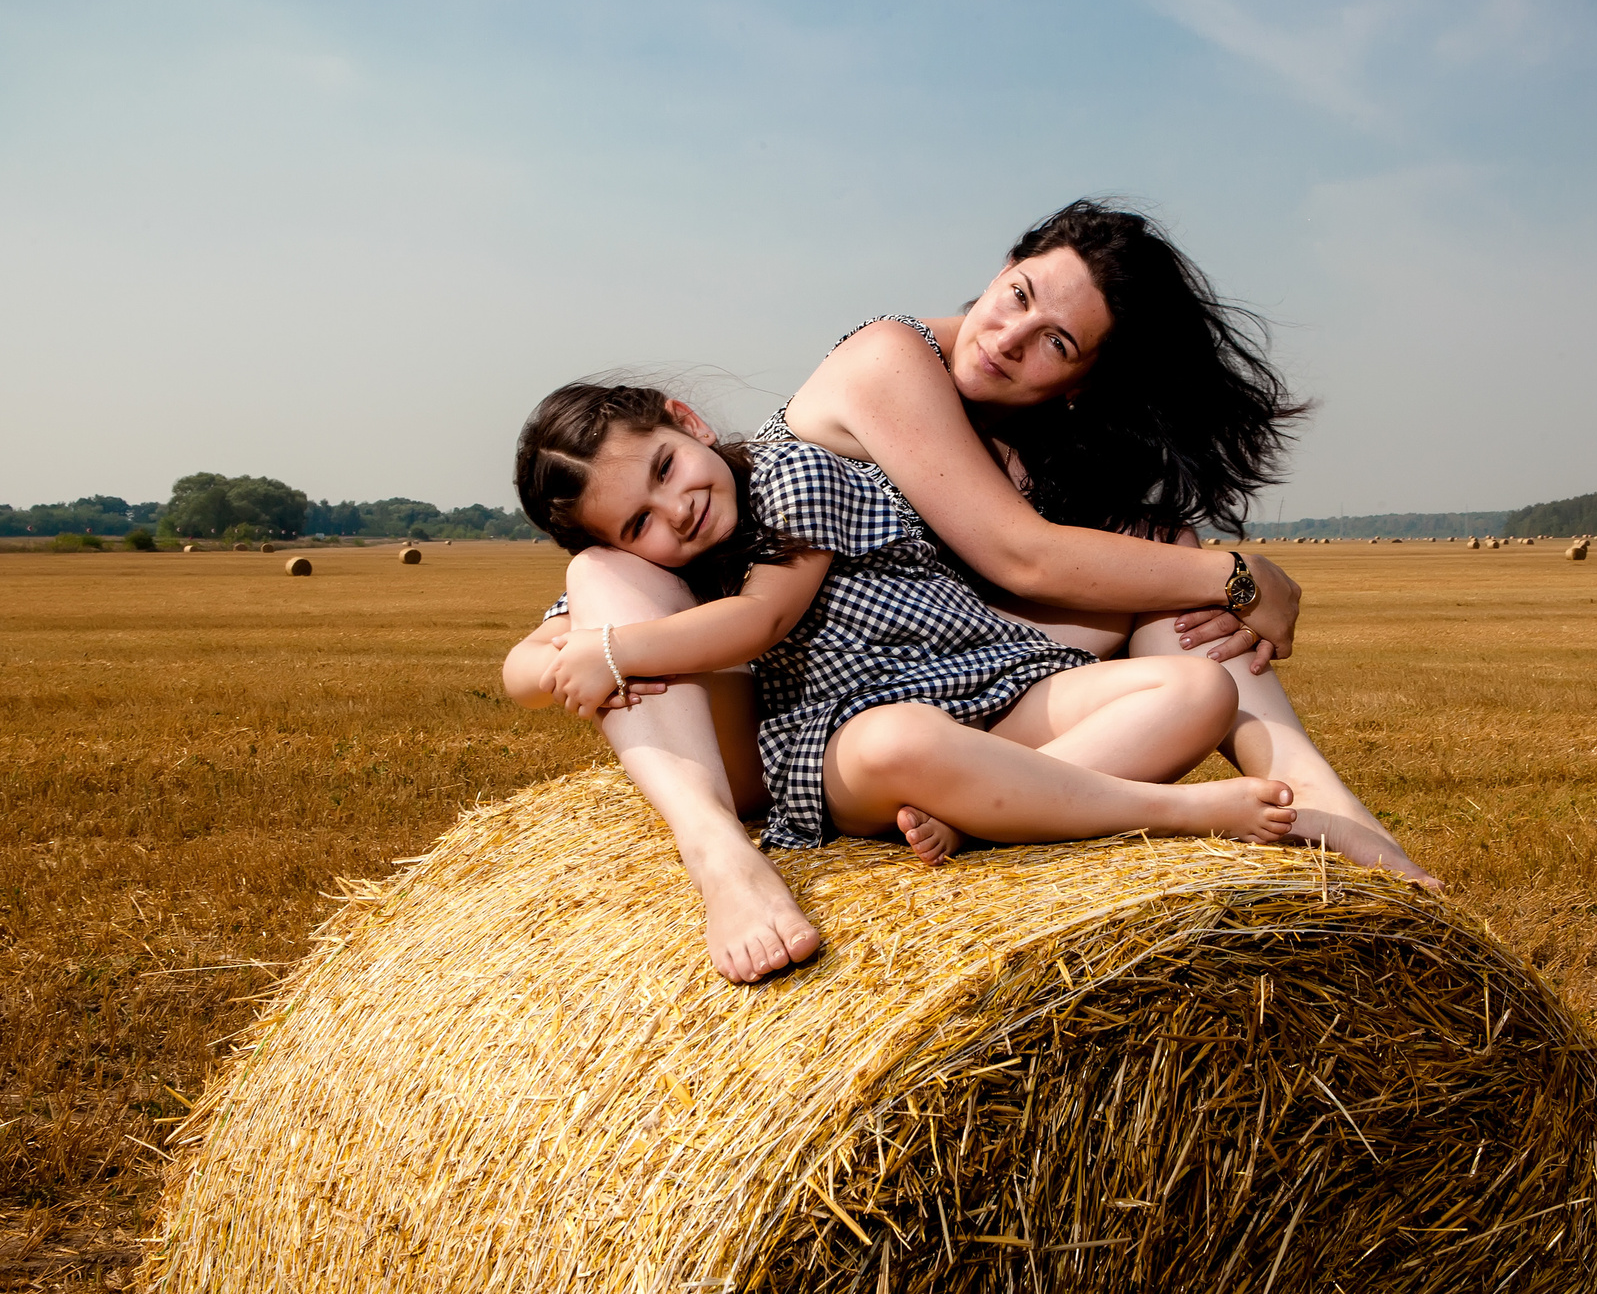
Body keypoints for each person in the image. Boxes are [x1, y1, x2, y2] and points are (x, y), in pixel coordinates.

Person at [507, 200, 1435, 981]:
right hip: (794, 723)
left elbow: (1062, 570)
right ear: (1004, 264)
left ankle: (1316, 809)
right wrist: (1240, 576)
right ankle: (718, 852)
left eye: (1054, 341)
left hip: (967, 688)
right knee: (603, 574)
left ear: (1086, 379)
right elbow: (1020, 556)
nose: (1006, 337)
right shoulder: (874, 372)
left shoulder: (1046, 443)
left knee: (1184, 631)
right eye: (1018, 294)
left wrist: (1196, 574)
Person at [516, 383, 1299, 979]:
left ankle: (986, 812)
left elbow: (761, 622)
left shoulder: (795, 469)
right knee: (903, 739)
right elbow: (525, 672)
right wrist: (563, 651)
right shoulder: (653, 571)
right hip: (842, 734)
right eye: (637, 523)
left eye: (664, 467)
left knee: (1201, 691)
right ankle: (1172, 811)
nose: (675, 509)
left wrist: (611, 652)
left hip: (990, 681)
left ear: (686, 419)